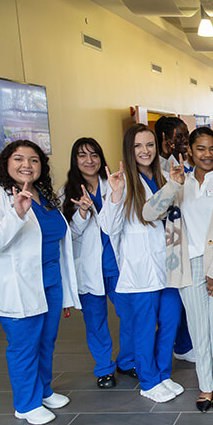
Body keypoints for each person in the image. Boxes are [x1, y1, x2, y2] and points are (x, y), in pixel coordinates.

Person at [0, 140, 80, 425]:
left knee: (46, 341)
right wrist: (16, 214)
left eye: (34, 160)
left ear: (41, 166)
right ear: (5, 163)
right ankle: (26, 403)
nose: (26, 165)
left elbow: (59, 238)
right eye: (19, 159)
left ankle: (44, 391)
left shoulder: (44, 195)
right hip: (17, 285)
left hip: (50, 282)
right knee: (24, 345)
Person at [143, 127, 213, 412]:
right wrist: (172, 186)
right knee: (199, 328)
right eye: (201, 148)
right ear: (189, 150)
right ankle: (205, 386)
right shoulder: (178, 181)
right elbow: (149, 213)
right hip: (187, 266)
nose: (208, 154)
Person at [99, 123, 184, 403]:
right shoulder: (123, 182)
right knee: (146, 327)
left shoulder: (162, 176)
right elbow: (109, 227)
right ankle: (148, 381)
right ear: (129, 150)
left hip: (169, 264)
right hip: (141, 268)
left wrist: (175, 184)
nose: (145, 151)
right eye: (138, 146)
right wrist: (114, 194)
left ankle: (163, 374)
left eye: (149, 145)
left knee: (170, 322)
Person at [61, 137, 131, 389]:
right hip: (89, 268)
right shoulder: (66, 192)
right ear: (75, 160)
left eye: (94, 155)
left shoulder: (115, 184)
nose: (89, 161)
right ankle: (104, 368)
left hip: (116, 264)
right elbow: (69, 234)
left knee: (130, 314)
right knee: (96, 321)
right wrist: (80, 213)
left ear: (101, 158)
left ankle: (127, 360)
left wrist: (116, 193)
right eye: (82, 155)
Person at [154, 116, 195, 364]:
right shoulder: (158, 167)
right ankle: (169, 350)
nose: (185, 140)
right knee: (167, 304)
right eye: (180, 136)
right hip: (163, 241)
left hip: (184, 239)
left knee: (181, 298)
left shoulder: (183, 163)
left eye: (186, 134)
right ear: (164, 139)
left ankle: (182, 344)